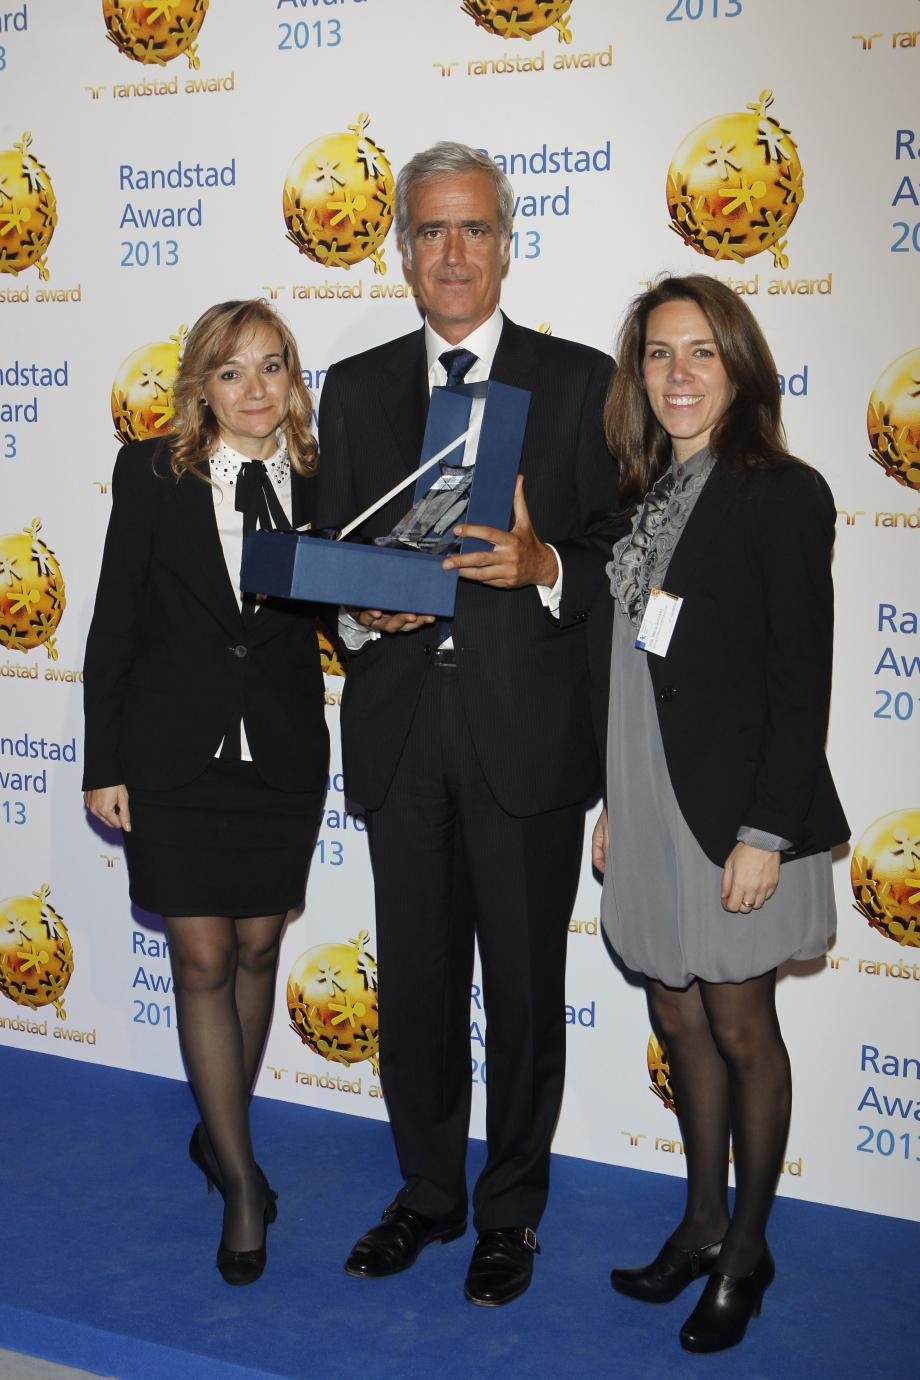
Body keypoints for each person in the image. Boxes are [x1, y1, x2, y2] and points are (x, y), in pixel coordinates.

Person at [316, 142, 620, 1306]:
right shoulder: (355, 387)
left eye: (474, 230)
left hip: (523, 734)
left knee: (526, 990)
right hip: (400, 728)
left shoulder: (579, 379)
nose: (452, 254)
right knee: (421, 983)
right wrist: (355, 609)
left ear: (506, 242)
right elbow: (328, 566)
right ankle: (428, 1195)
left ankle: (511, 1212)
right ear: (401, 248)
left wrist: (544, 561)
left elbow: (613, 558)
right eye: (430, 232)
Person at [590, 274, 848, 1352]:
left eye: (700, 351)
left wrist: (763, 833)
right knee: (674, 1016)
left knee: (741, 1026)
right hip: (649, 797)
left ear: (738, 365)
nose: (677, 374)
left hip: (738, 811)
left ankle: (745, 1250)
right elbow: (638, 664)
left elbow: (801, 679)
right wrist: (615, 799)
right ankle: (698, 1220)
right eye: (656, 354)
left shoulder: (779, 491)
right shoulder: (647, 491)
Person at [83, 299, 328, 1286]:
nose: (256, 389)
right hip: (171, 752)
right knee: (200, 956)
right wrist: (105, 760)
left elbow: (347, 604)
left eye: (272, 367)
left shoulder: (319, 477)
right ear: (200, 386)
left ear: (292, 379)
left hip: (279, 752)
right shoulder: (152, 473)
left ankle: (223, 1138)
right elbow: (114, 622)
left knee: (261, 944)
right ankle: (237, 1182)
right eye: (232, 372)